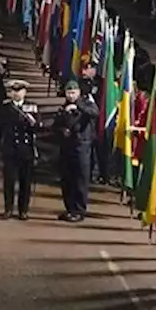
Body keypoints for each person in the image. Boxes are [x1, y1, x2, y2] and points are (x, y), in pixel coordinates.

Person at [52, 80, 94, 223]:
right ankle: (70, 209)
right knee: (67, 180)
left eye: (73, 93)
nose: (70, 96)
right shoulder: (63, 108)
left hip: (81, 147)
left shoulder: (86, 104)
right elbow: (55, 126)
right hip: (66, 147)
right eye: (68, 93)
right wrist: (61, 131)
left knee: (80, 180)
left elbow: (95, 113)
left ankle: (79, 210)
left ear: (79, 93)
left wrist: (78, 106)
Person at [0, 79, 38, 220]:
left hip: (26, 149)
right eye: (14, 91)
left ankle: (23, 210)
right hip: (10, 149)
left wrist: (34, 123)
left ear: (25, 92)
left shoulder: (32, 107)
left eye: (20, 90)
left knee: (25, 182)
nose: (17, 93)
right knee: (9, 181)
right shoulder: (5, 107)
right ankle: (8, 208)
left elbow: (38, 126)